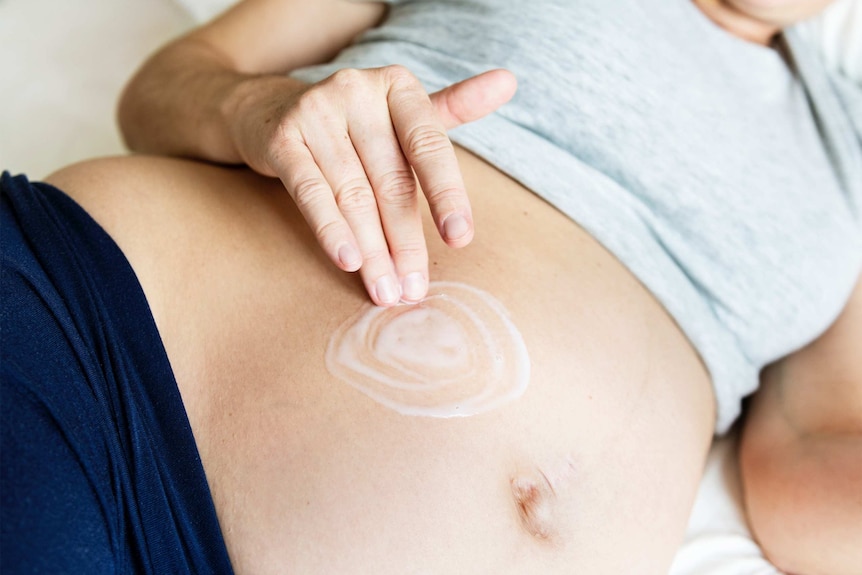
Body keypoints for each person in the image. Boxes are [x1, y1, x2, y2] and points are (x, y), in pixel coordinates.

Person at [1, 0, 860, 573]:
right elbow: (173, 77)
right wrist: (255, 108)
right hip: (102, 356)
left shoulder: (847, 156)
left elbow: (810, 451)